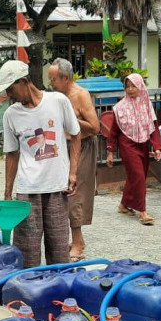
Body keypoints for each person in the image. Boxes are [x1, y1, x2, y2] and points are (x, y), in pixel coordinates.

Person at [0, 60, 81, 268]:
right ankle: (28, 292)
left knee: (59, 250)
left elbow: (76, 135)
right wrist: (8, 192)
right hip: (27, 190)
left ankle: (58, 291)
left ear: (24, 81)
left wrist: (73, 173)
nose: (9, 95)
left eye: (11, 88)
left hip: (56, 187)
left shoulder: (58, 101)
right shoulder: (11, 114)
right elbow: (12, 154)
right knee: (27, 252)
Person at [48, 57, 100, 261]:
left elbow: (95, 127)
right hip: (64, 147)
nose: (51, 83)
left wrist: (70, 117)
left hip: (84, 146)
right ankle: (77, 239)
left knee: (75, 193)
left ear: (65, 77)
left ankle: (78, 243)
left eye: (53, 79)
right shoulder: (57, 96)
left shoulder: (80, 95)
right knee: (63, 192)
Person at [106, 73, 161, 225]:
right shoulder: (120, 108)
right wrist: (110, 151)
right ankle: (143, 212)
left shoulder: (146, 105)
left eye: (133, 86)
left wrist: (157, 147)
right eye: (127, 86)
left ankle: (123, 205)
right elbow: (114, 131)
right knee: (137, 176)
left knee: (138, 176)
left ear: (141, 87)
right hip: (127, 144)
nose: (130, 90)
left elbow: (153, 127)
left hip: (142, 144)